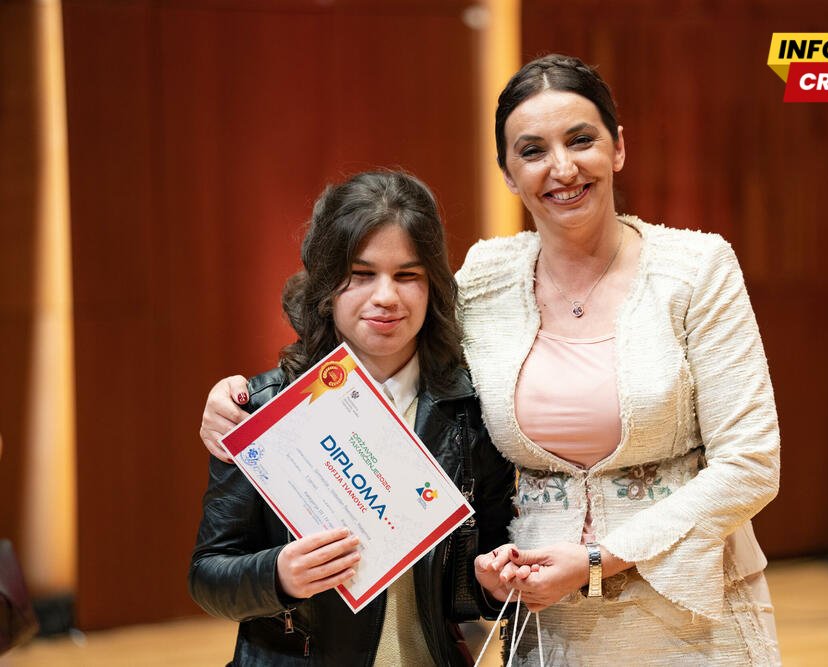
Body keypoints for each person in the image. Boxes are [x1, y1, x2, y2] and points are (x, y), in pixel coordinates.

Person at [201, 55, 781, 665]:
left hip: (688, 601)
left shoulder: (697, 269)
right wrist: (239, 397)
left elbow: (750, 463)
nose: (562, 168)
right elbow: (376, 329)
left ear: (618, 147)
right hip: (545, 613)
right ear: (507, 171)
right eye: (532, 150)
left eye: (581, 140)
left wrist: (596, 560)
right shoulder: (485, 278)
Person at [189, 170, 516, 666]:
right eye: (361, 275)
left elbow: (473, 585)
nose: (385, 297)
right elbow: (208, 576)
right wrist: (278, 576)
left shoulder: (470, 412)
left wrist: (493, 585)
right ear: (326, 286)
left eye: (407, 275)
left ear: (433, 286)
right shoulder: (264, 409)